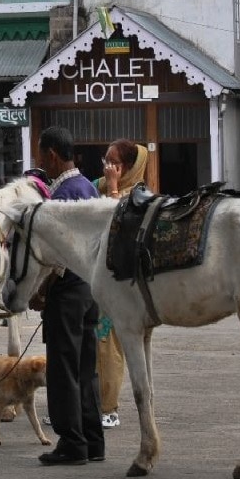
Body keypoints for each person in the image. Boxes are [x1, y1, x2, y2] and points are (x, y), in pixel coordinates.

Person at [34, 126, 104, 466]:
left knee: (62, 367)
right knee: (86, 367)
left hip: (67, 288)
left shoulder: (60, 196)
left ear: (51, 154)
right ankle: (93, 439)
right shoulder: (89, 186)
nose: (39, 162)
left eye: (40, 154)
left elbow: (56, 253)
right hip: (90, 287)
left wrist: (40, 290)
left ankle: (71, 441)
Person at [93, 138, 149, 431]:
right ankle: (90, 402)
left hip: (120, 286)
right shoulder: (98, 187)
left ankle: (109, 407)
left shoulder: (136, 195)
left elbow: (113, 222)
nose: (106, 167)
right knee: (93, 346)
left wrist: (114, 187)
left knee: (108, 345)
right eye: (105, 160)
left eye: (112, 162)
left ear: (126, 167)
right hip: (98, 282)